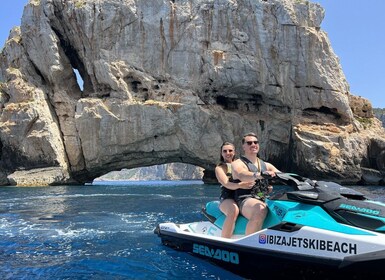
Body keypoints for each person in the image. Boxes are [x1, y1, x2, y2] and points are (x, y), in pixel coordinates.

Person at [231, 132, 280, 235]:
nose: (253, 144)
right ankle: (248, 245)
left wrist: (305, 181)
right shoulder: (237, 163)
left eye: (255, 142)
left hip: (263, 197)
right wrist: (258, 175)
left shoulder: (266, 165)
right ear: (243, 146)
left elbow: (283, 175)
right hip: (245, 199)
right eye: (249, 143)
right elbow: (242, 174)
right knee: (260, 210)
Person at [215, 142, 255, 238]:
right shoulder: (220, 168)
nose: (228, 153)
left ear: (234, 152)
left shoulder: (241, 165)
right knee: (233, 210)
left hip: (243, 196)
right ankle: (225, 240)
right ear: (221, 153)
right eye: (225, 151)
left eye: (230, 150)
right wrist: (240, 185)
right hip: (228, 198)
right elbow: (226, 184)